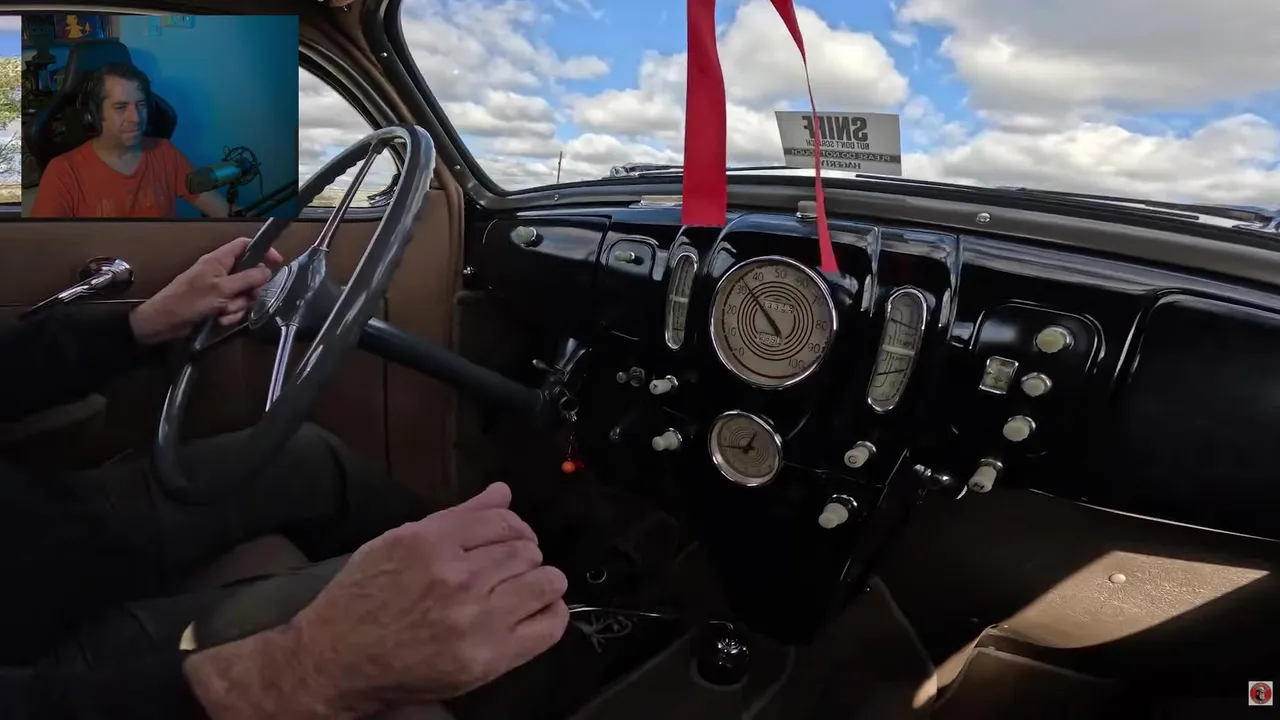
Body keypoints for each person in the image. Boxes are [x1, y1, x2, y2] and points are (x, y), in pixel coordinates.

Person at [0, 237, 574, 718]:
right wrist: (288, 673)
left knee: (305, 458)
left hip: (41, 526)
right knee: (414, 618)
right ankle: (558, 661)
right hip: (39, 662)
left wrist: (139, 326)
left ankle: (515, 577)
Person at [30, 63, 233, 219]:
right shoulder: (63, 172)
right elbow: (43, 245)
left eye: (141, 105)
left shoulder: (165, 152)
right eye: (120, 107)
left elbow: (222, 211)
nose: (135, 118)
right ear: (94, 115)